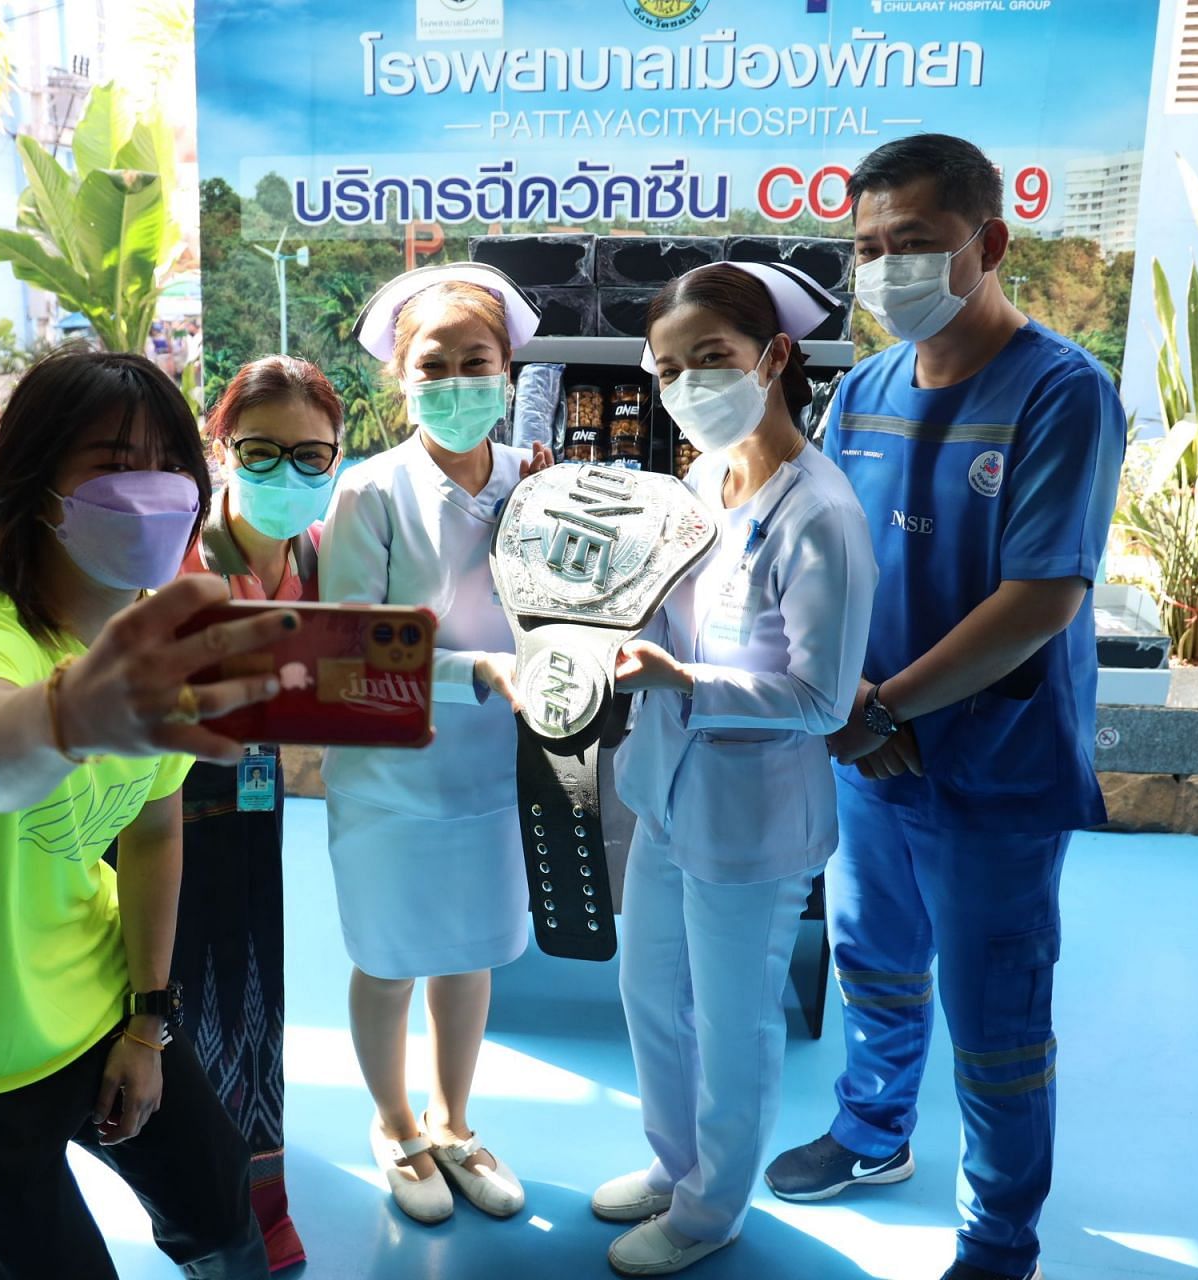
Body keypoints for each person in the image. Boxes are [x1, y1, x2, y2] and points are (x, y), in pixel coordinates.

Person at [763, 134, 1126, 1280]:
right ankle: (873, 1132)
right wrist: (840, 708)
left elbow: (1041, 598)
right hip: (870, 760)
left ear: (990, 242)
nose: (885, 270)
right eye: (868, 248)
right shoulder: (863, 391)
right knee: (873, 957)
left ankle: (999, 1232)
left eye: (914, 245)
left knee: (996, 1014)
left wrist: (883, 708)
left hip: (993, 770)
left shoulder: (1061, 393)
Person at [0, 345, 296, 1280]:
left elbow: (147, 828)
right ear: (34, 487)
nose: (147, 487)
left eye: (166, 463)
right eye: (108, 464)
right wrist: (64, 719)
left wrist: (148, 1021)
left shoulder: (149, 663)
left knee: (219, 1199)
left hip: (102, 1007)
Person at [587, 263, 877, 1277]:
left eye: (711, 358)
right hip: (669, 786)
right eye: (668, 369)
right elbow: (666, 609)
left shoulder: (821, 513)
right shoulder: (702, 484)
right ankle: (675, 1164)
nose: (687, 385)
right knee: (647, 987)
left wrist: (685, 677)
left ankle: (711, 1209)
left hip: (754, 819)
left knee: (734, 1016)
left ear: (775, 356)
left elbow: (824, 700)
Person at [320, 262, 553, 1225]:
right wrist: (478, 673)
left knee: (472, 955)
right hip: (391, 775)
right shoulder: (369, 493)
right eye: (435, 364)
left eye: (476, 361)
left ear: (508, 372)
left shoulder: (540, 485)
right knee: (390, 956)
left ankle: (456, 1122)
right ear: (401, 380)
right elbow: (344, 648)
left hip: (497, 772)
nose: (457, 381)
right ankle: (394, 1124)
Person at [172, 355, 346, 1272]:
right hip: (169, 814)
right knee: (183, 999)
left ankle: (262, 1182)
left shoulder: (315, 553)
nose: (289, 473)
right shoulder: (187, 560)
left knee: (258, 990)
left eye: (311, 454)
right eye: (262, 451)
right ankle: (203, 1199)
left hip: (257, 803)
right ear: (222, 444)